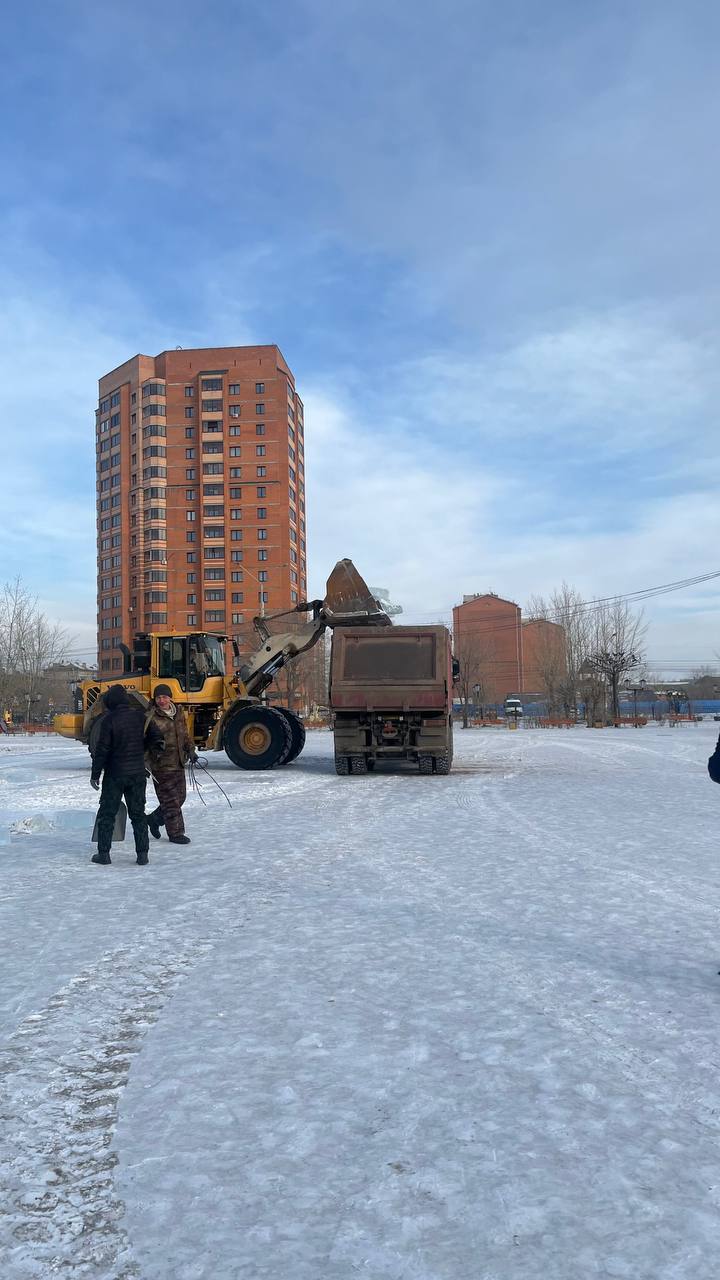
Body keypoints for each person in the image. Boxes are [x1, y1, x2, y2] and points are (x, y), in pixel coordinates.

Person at [90, 685, 164, 867]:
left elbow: (102, 750)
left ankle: (104, 854)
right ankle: (142, 855)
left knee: (107, 814)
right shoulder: (140, 717)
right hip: (137, 774)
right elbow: (157, 737)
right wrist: (145, 751)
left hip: (114, 775)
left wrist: (95, 774)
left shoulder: (109, 720)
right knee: (138, 815)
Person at [145, 684, 197, 845]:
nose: (162, 700)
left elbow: (184, 734)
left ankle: (154, 819)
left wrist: (190, 750)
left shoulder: (178, 713)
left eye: (164, 697)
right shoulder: (150, 716)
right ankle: (176, 833)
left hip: (178, 762)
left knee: (180, 797)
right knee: (171, 801)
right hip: (161, 765)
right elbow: (143, 741)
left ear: (170, 698)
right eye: (158, 697)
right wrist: (146, 762)